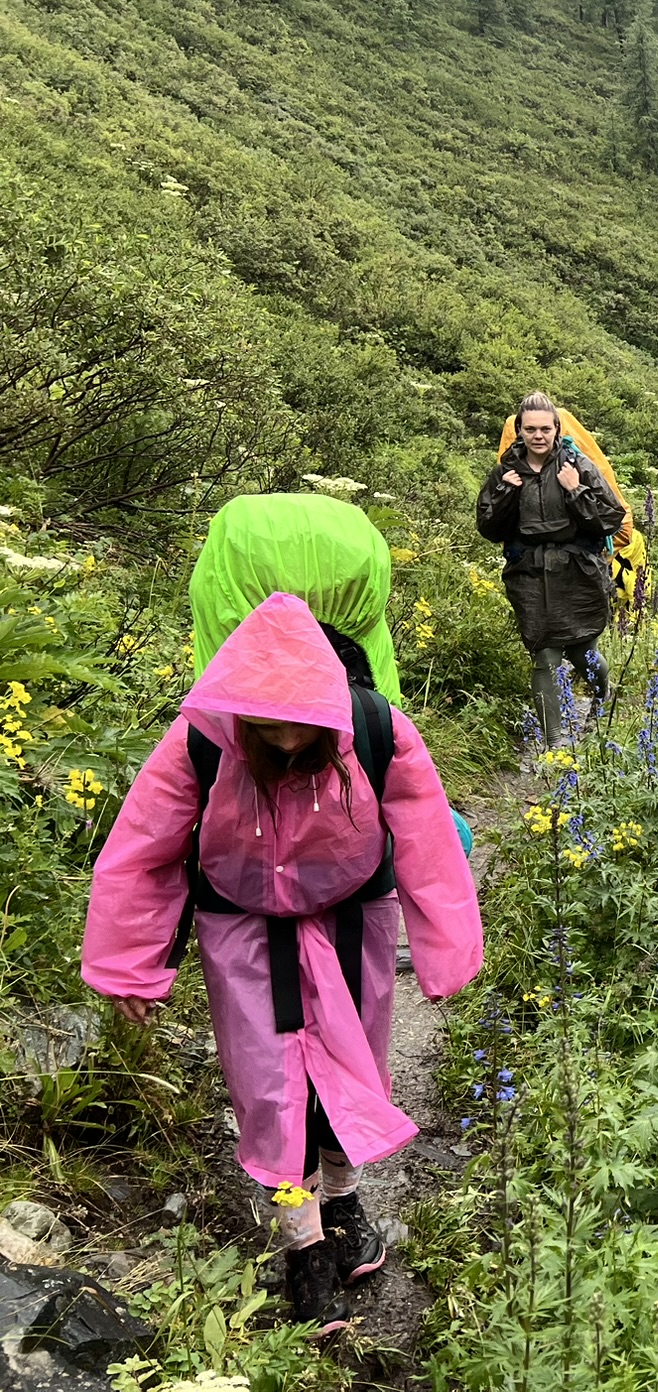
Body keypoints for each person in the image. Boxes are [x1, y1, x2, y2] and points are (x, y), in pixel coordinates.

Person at [83, 593, 482, 1333]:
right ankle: (304, 1247)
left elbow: (428, 838)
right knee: (270, 1088)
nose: (288, 741)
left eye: (303, 727)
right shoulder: (202, 739)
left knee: (352, 1069)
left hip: (351, 917)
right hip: (242, 926)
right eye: (268, 727)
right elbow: (144, 848)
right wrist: (128, 964)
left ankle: (345, 1203)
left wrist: (447, 952)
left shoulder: (374, 726)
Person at [475, 391, 626, 747]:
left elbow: (609, 519)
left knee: (582, 652)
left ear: (557, 430)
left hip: (578, 574)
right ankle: (554, 742)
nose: (538, 436)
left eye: (545, 428)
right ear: (519, 431)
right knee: (544, 655)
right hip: (528, 575)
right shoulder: (506, 473)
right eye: (530, 429)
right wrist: (504, 495)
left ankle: (604, 699)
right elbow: (488, 528)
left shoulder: (578, 467)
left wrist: (575, 492)